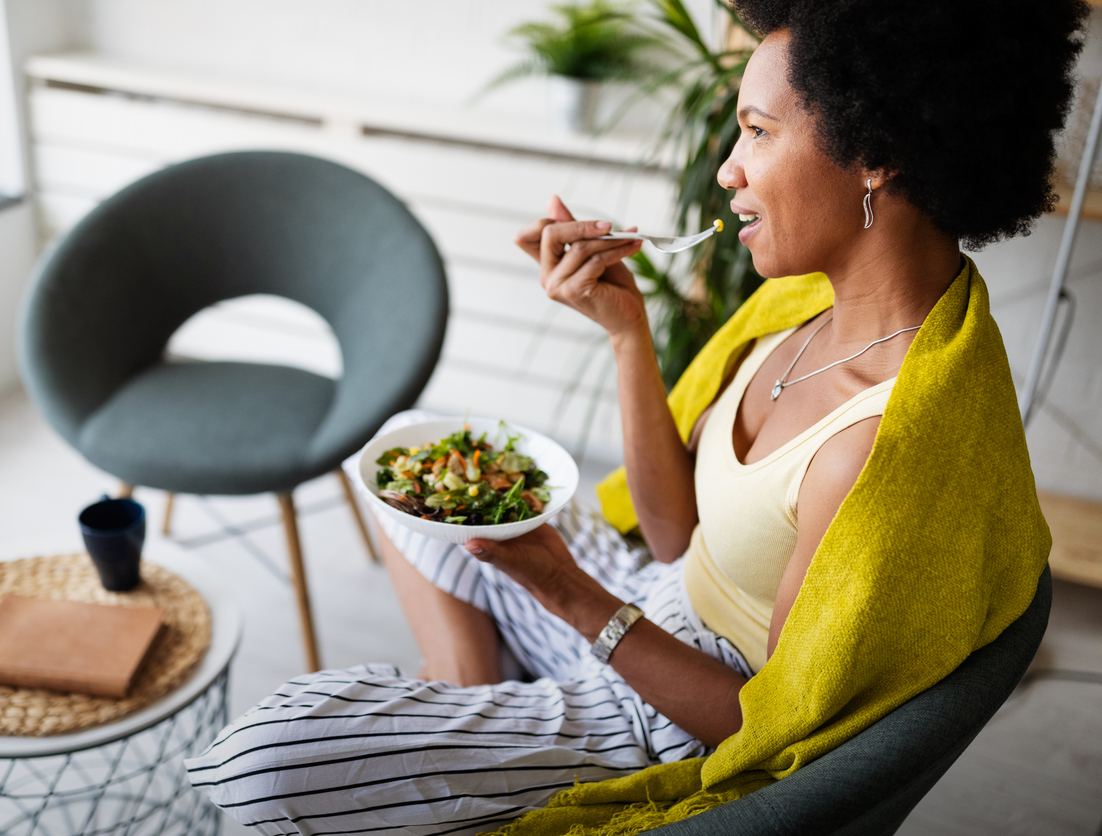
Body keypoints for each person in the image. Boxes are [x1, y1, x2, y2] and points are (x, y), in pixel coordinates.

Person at [186, 1, 1089, 833]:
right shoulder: (807, 307)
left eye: (758, 132)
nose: (729, 169)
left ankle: (476, 747)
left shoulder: (879, 446)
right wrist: (627, 333)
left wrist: (566, 589)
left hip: (671, 713)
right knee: (406, 462)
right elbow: (672, 537)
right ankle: (473, 711)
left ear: (876, 150)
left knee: (267, 763)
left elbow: (761, 726)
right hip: (655, 593)